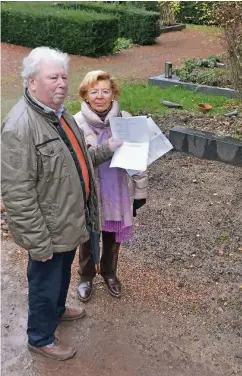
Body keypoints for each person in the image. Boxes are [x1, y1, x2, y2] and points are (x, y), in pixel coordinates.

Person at [1, 48, 122, 361]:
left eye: (64, 77)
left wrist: (107, 149)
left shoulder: (60, 113)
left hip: (69, 219)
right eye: (52, 77)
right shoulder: (20, 127)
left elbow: (77, 159)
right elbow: (17, 193)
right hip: (48, 229)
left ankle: (55, 309)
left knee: (61, 274)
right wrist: (38, 242)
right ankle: (40, 337)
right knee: (44, 280)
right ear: (31, 82)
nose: (61, 84)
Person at [74, 70, 148, 302]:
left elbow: (139, 158)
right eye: (94, 91)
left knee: (113, 237)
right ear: (85, 95)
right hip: (91, 191)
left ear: (113, 93)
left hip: (117, 189)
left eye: (105, 91)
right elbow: (76, 162)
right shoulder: (76, 122)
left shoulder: (126, 118)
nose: (99, 96)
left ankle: (109, 272)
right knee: (87, 238)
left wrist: (140, 191)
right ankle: (85, 276)